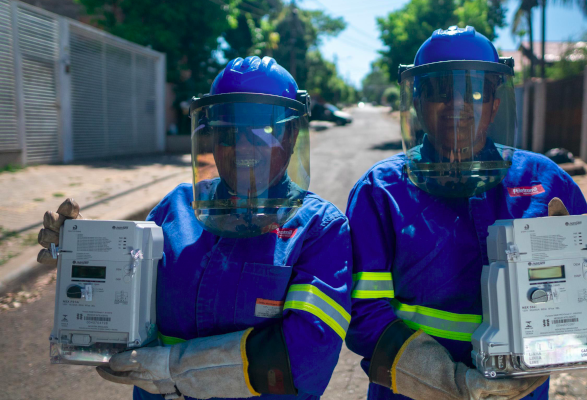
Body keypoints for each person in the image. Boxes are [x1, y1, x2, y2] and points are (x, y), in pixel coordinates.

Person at [37, 56, 352, 400]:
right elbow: (129, 298)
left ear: (291, 134)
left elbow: (305, 359)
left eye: (263, 129)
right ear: (210, 138)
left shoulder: (320, 229)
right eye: (228, 131)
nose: (244, 146)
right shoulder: (178, 208)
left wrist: (175, 369)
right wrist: (88, 256)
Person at [344, 26, 587, 400]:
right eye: (440, 89)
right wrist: (447, 381)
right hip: (412, 392)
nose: (459, 104)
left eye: (475, 91)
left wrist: (583, 265)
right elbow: (363, 314)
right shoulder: (381, 192)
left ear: (496, 103)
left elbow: (577, 311)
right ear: (418, 102)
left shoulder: (548, 182)